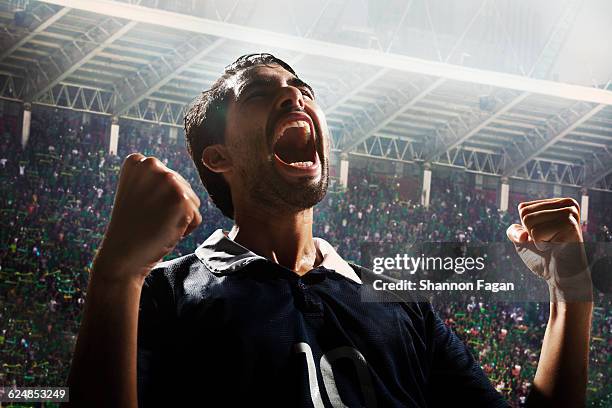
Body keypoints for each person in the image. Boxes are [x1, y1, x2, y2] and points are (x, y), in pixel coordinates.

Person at [66, 54, 593, 407]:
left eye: (302, 90)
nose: (294, 97)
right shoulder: (162, 294)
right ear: (217, 156)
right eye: (258, 94)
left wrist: (571, 296)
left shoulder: (402, 301)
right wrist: (116, 275)